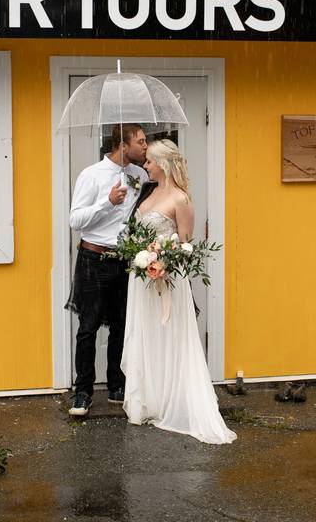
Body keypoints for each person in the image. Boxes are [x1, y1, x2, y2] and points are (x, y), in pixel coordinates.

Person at [121, 139, 237, 444]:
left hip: (169, 280)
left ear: (163, 164)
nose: (145, 166)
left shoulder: (181, 199)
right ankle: (151, 400)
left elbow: (187, 244)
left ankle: (176, 401)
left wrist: (165, 261)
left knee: (170, 335)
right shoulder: (149, 192)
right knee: (146, 334)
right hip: (143, 279)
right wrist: (142, 255)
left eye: (149, 162)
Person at [67, 123, 149, 416]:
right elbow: (75, 220)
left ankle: (117, 385)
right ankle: (83, 393)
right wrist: (107, 202)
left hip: (126, 261)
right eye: (140, 141)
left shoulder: (140, 175)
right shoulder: (91, 175)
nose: (145, 146)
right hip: (94, 259)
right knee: (87, 328)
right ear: (123, 145)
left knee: (121, 325)